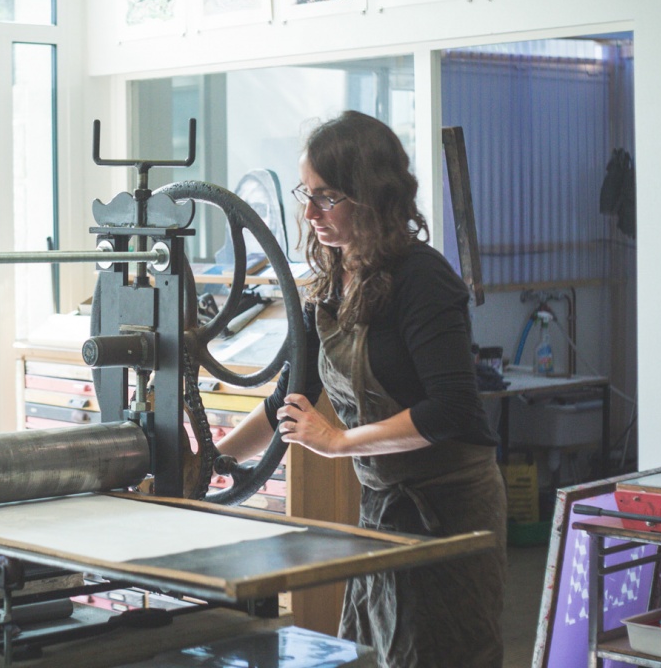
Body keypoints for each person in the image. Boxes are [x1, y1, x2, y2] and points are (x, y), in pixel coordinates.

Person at [217, 110, 507, 668]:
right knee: (375, 651)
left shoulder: (423, 279)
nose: (309, 212)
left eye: (327, 197)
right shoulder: (328, 282)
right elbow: (288, 399)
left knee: (443, 654)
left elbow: (450, 409)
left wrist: (338, 442)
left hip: (450, 512)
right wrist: (212, 460)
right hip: (384, 507)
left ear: (372, 195)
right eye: (307, 193)